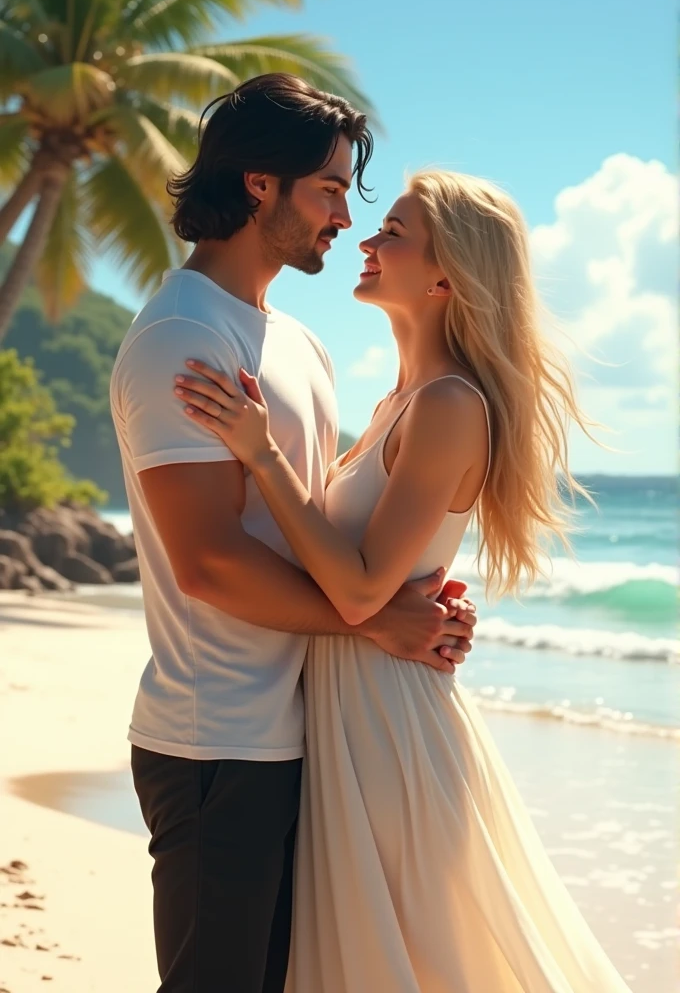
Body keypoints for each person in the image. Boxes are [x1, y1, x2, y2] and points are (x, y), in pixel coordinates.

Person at [174, 170, 634, 992]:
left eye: (392, 231)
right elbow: (363, 581)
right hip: (352, 712)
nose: (366, 239)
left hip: (389, 728)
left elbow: (357, 592)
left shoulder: (450, 403)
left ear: (447, 275)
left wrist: (260, 452)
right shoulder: (400, 402)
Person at [109, 74, 476, 993]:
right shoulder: (181, 338)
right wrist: (370, 621)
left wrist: (415, 595)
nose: (342, 219)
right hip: (216, 739)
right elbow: (209, 562)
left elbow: (324, 527)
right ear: (260, 183)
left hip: (308, 732)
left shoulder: (296, 344)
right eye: (326, 190)